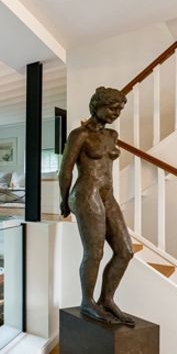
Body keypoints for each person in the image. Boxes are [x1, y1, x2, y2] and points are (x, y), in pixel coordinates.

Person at [59, 87, 134, 326]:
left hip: (107, 195)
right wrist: (64, 200)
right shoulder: (79, 135)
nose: (116, 113)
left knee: (126, 251)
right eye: (112, 108)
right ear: (97, 106)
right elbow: (65, 171)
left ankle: (107, 299)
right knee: (95, 252)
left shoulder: (112, 135)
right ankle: (87, 301)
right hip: (85, 194)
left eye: (119, 109)